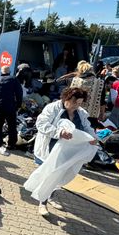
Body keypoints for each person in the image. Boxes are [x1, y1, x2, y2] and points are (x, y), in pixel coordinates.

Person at [34, 86, 97, 216]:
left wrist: (93, 137)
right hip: (50, 147)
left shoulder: (81, 113)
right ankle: (42, 202)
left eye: (79, 103)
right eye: (74, 102)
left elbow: (87, 127)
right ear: (66, 98)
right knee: (49, 175)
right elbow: (41, 124)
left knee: (60, 175)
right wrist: (59, 132)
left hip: (68, 151)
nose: (76, 106)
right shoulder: (52, 108)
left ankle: (50, 196)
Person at [0, 65, 24, 155]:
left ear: (1, 71)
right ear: (9, 72)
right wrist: (18, 105)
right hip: (10, 107)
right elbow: (19, 93)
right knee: (12, 126)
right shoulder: (14, 80)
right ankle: (11, 144)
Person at [70, 60, 105, 125]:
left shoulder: (75, 81)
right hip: (92, 114)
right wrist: (102, 113)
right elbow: (102, 100)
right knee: (90, 133)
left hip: (77, 112)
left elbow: (70, 97)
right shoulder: (99, 83)